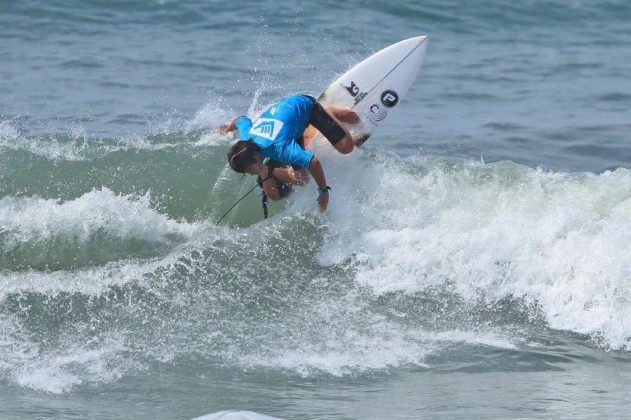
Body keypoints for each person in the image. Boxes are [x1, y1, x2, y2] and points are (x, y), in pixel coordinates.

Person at [221, 94, 358, 212]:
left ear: (256, 157)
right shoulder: (246, 140)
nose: (250, 174)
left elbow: (313, 162)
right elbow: (242, 120)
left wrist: (323, 191)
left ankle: (331, 113)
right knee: (302, 179)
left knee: (346, 147)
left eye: (249, 170)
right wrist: (226, 129)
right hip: (289, 124)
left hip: (305, 106)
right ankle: (299, 131)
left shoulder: (280, 148)